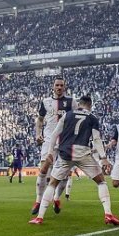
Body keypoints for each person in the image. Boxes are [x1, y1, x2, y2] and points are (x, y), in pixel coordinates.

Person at [29, 95, 119, 226]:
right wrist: (104, 158)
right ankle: (108, 214)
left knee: (52, 184)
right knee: (101, 182)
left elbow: (55, 134)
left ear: (79, 104)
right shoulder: (92, 118)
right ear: (89, 105)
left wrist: (50, 152)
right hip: (82, 153)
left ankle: (39, 217)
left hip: (65, 153)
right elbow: (96, 139)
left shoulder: (67, 115)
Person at [31, 77, 78, 215]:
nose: (59, 87)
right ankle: (38, 201)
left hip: (66, 141)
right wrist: (38, 134)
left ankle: (56, 198)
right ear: (53, 87)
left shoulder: (71, 102)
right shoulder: (46, 102)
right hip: (48, 140)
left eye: (61, 85)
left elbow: (78, 119)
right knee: (44, 168)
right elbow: (39, 120)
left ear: (65, 87)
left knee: (64, 174)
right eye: (57, 85)